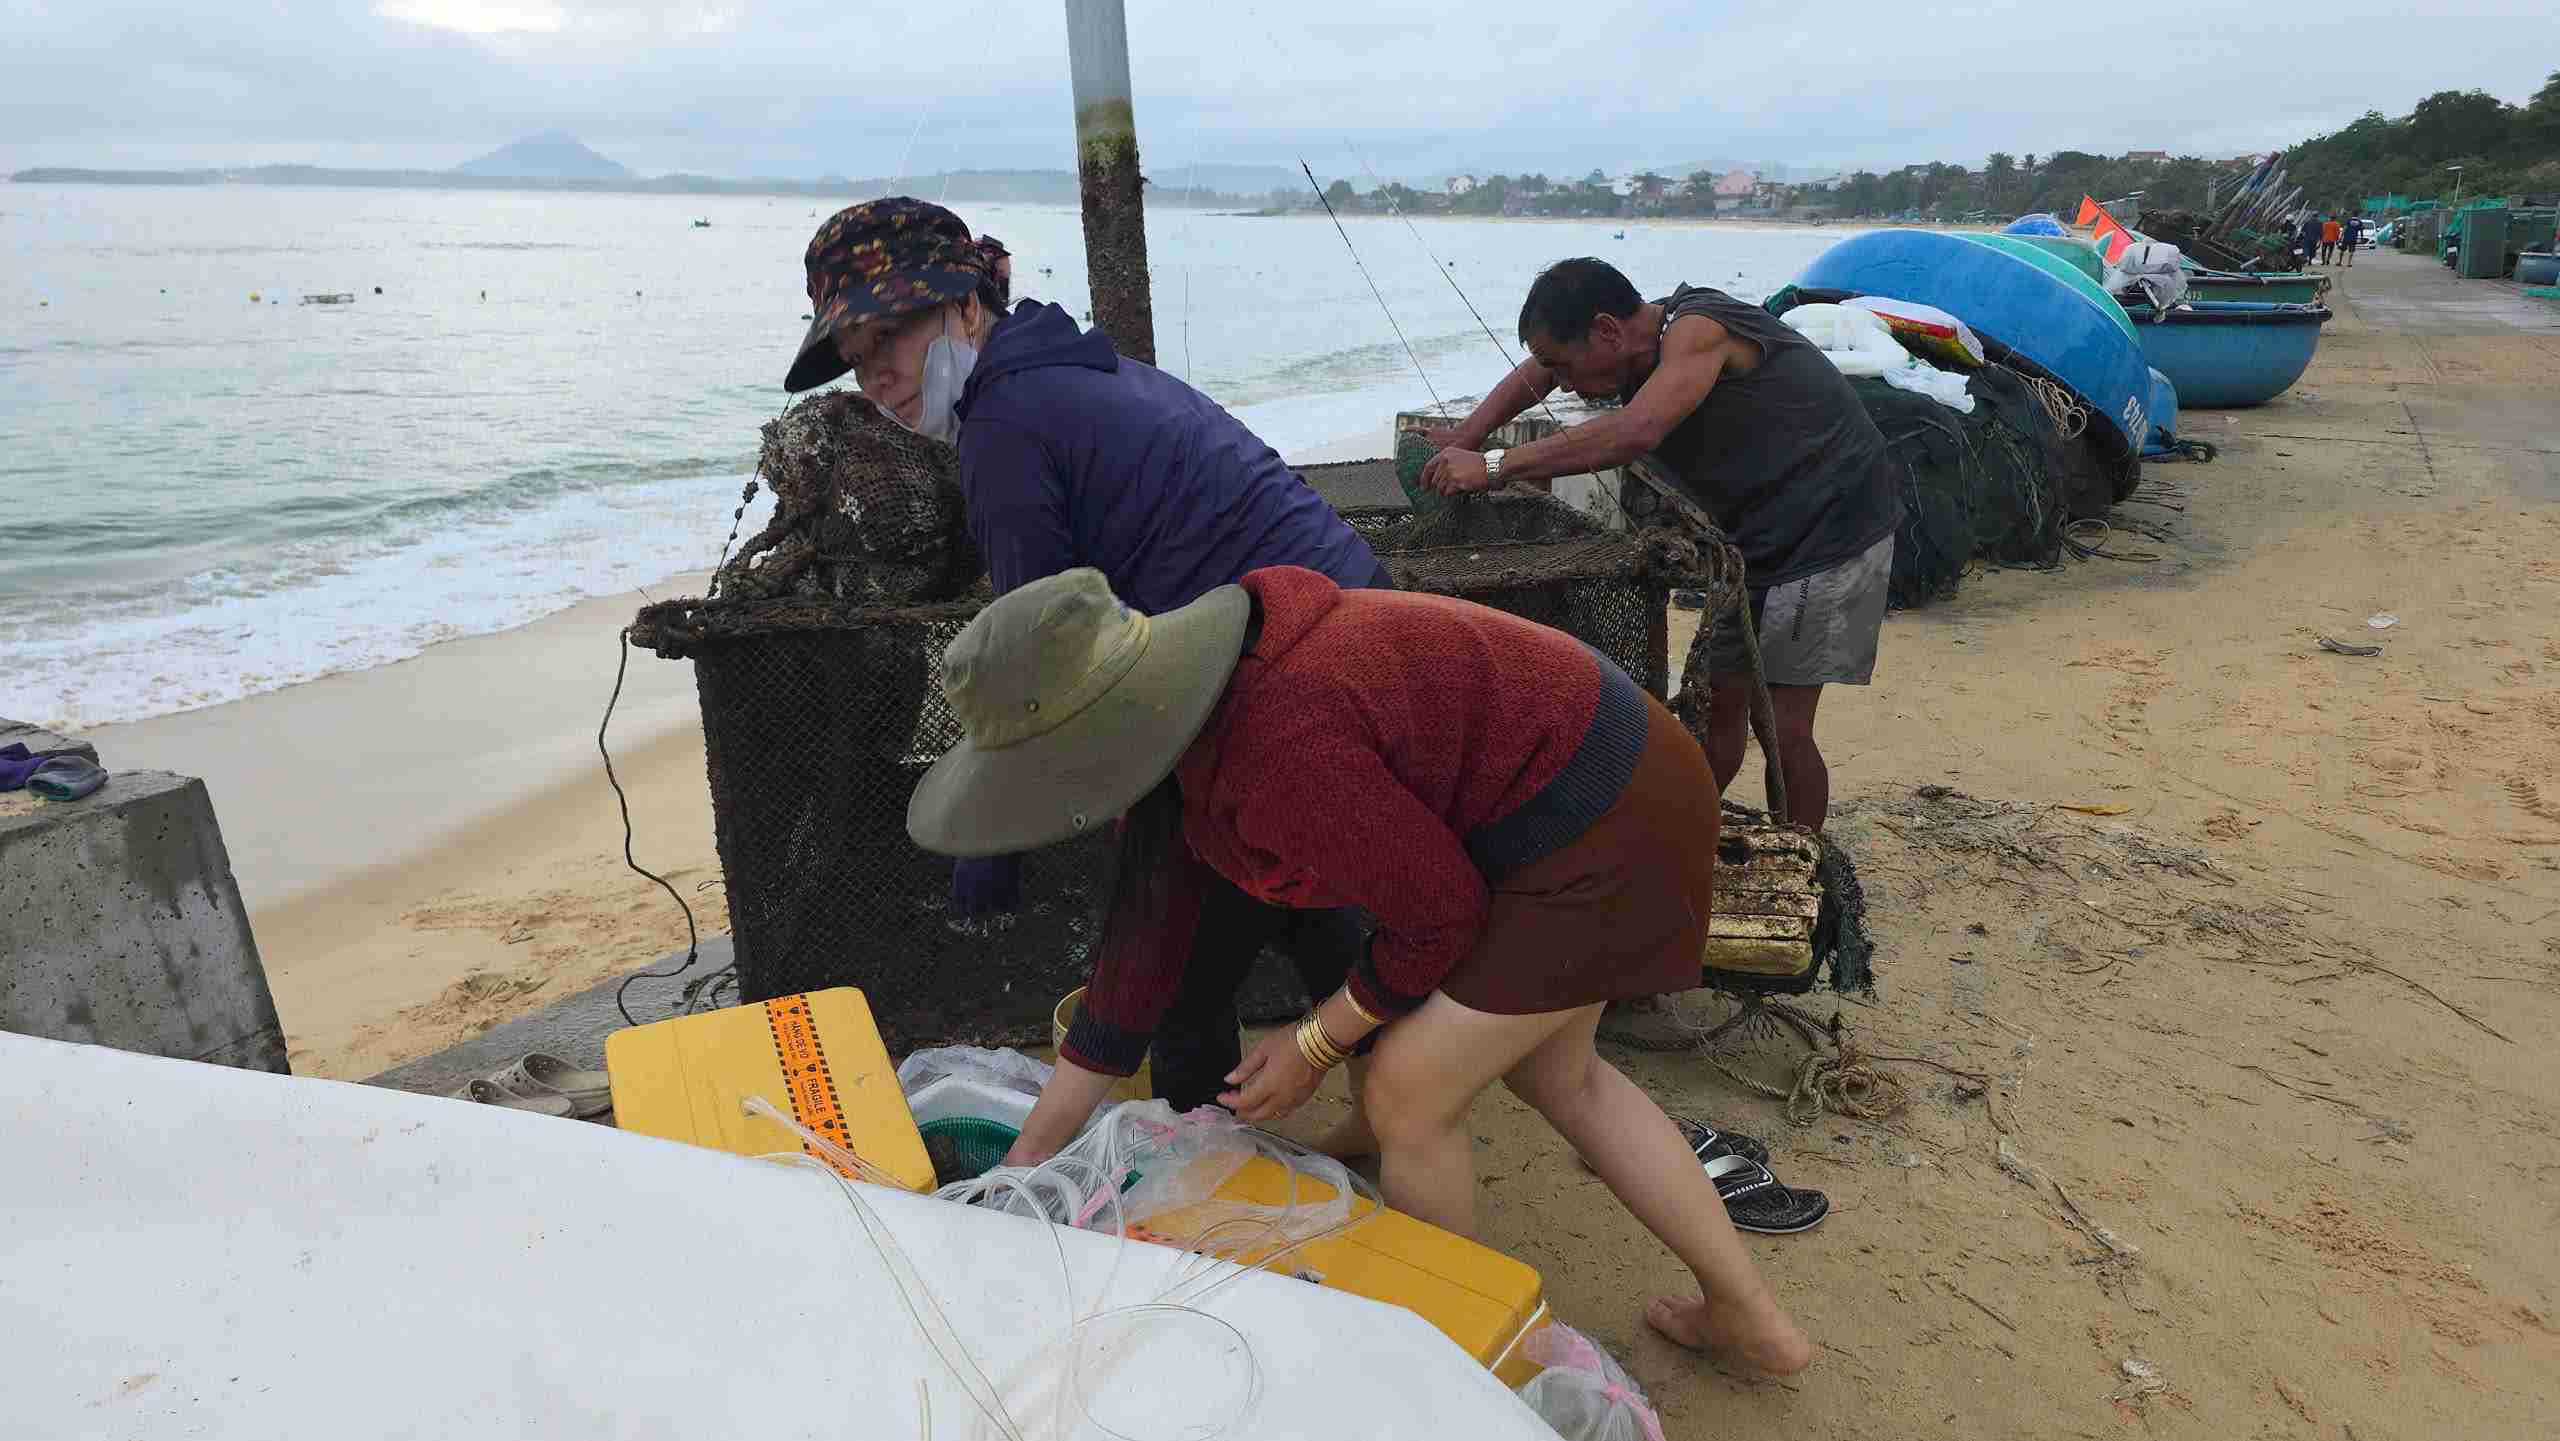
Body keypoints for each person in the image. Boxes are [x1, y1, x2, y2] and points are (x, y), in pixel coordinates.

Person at [906, 564, 1819, 1374]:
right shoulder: (1180, 730)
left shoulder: (1278, 750)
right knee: (1561, 1075)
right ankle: (1748, 1313)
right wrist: (1024, 1165)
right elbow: (1131, 971)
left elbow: (1439, 916)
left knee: (1408, 1092)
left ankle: (1455, 1356)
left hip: (1605, 815)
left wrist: (1314, 1043)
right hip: (1586, 782)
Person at [780, 197, 1393, 1147]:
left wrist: (990, 845)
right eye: (856, 356)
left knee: (1178, 957)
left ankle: (1201, 1149)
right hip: (1347, 624)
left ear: (967, 306)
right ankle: (1387, 1110)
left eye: (891, 334)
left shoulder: (1006, 426)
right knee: (1295, 885)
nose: (877, 375)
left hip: (1287, 665)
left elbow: (1040, 659)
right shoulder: (1058, 363)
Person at [1416, 258, 1902, 833]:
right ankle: (1681, 835)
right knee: (1717, 706)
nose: (1563, 384)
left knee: (1781, 725)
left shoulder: (1700, 331)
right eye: (1555, 369)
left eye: (1566, 365)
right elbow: (1539, 371)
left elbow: (1635, 431)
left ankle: (1803, 852)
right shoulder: (1629, 341)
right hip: (1754, 538)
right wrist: (1466, 436)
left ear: (1606, 330)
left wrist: (1495, 465)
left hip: (1832, 530)